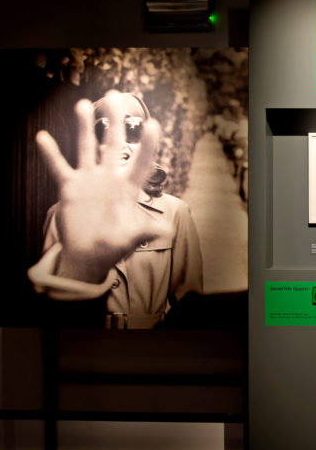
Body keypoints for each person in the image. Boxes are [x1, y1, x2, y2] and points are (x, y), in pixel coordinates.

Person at [27, 91, 204, 329]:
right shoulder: (60, 214)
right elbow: (48, 307)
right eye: (103, 131)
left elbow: (189, 308)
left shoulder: (175, 212)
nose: (120, 142)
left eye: (132, 130)